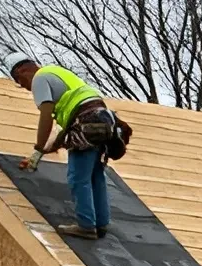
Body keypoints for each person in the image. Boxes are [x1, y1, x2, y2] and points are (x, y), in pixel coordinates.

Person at [7, 54, 130, 239]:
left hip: (85, 122)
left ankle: (86, 225)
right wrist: (47, 149)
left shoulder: (40, 79)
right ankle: (101, 223)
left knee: (78, 178)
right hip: (102, 121)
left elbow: (46, 116)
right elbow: (66, 124)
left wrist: (38, 148)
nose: (25, 87)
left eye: (20, 82)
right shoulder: (57, 73)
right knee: (95, 175)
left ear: (21, 71)